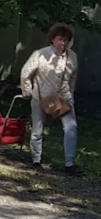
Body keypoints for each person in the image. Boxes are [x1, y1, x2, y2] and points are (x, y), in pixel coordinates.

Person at [20, 23, 83, 175]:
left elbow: (73, 78)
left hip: (63, 98)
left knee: (71, 128)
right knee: (38, 129)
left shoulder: (72, 56)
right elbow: (25, 73)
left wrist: (70, 97)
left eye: (67, 40)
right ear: (53, 39)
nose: (64, 43)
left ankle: (69, 163)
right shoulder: (41, 54)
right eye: (60, 39)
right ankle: (36, 160)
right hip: (41, 97)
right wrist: (27, 91)